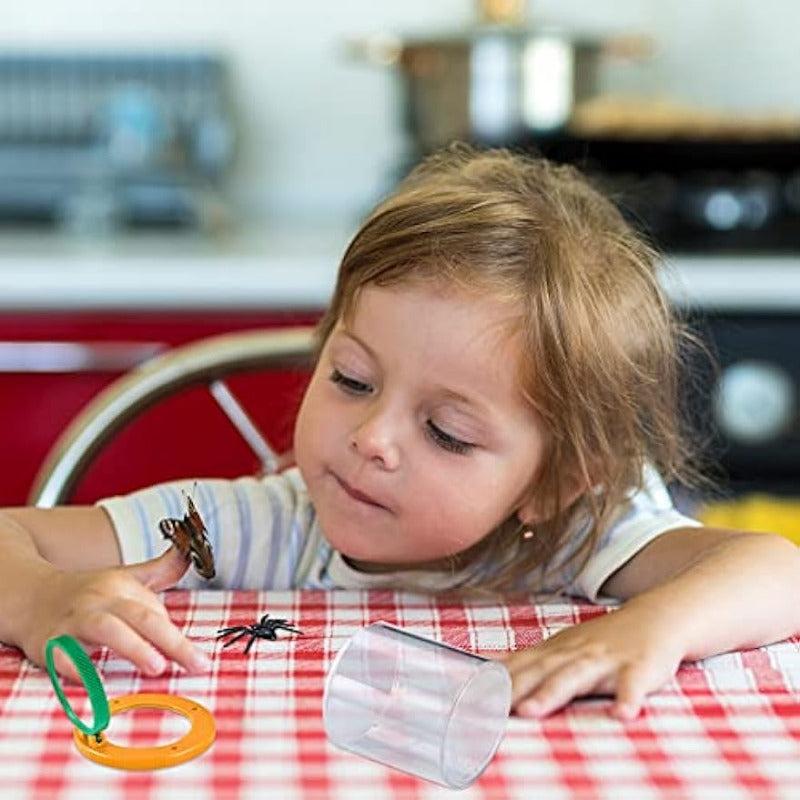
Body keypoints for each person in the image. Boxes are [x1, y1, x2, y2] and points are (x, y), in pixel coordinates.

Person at [1, 145, 798, 720]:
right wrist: (38, 598)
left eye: (446, 432)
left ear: (556, 481)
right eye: (352, 380)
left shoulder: (579, 537)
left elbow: (779, 571)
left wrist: (650, 627)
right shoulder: (255, 527)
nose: (372, 438)